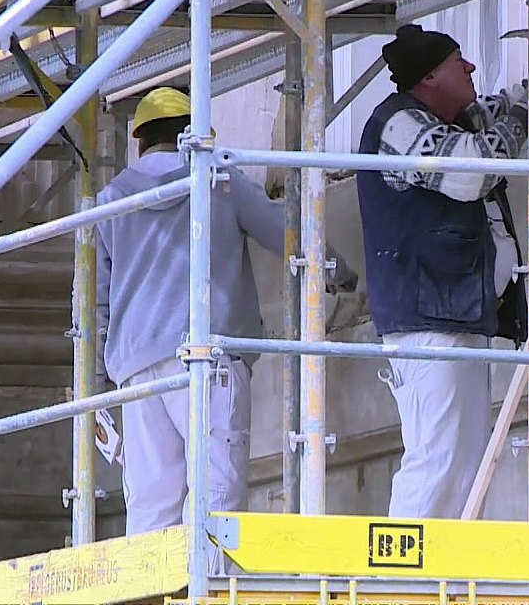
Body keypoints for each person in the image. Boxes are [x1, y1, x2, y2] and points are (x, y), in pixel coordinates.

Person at [95, 86, 356, 537]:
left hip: (136, 371)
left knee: (151, 506)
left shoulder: (112, 200)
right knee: (215, 497)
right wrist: (337, 270)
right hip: (207, 356)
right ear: (194, 134)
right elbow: (285, 233)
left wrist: (98, 381)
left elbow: (97, 299)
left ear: (139, 141)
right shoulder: (218, 178)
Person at [357, 24, 529, 519]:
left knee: (464, 464)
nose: (471, 68)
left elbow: (516, 103)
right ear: (430, 77)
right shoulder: (400, 126)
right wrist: (519, 113)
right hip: (429, 323)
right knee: (437, 458)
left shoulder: (449, 119)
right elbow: (473, 171)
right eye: (459, 61)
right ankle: (403, 586)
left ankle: (445, 582)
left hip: (458, 317)